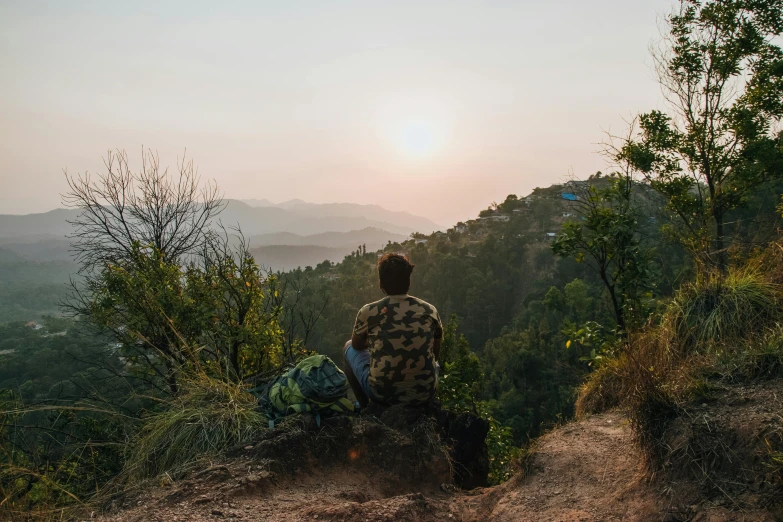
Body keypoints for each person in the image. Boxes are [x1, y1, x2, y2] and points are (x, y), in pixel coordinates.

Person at [343, 253, 443, 407]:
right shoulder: (430, 310)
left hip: (382, 394)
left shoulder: (369, 311)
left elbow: (356, 346)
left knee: (348, 347)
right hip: (424, 394)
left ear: (381, 284)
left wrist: (378, 345)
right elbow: (435, 355)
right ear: (408, 282)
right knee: (435, 365)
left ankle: (364, 407)